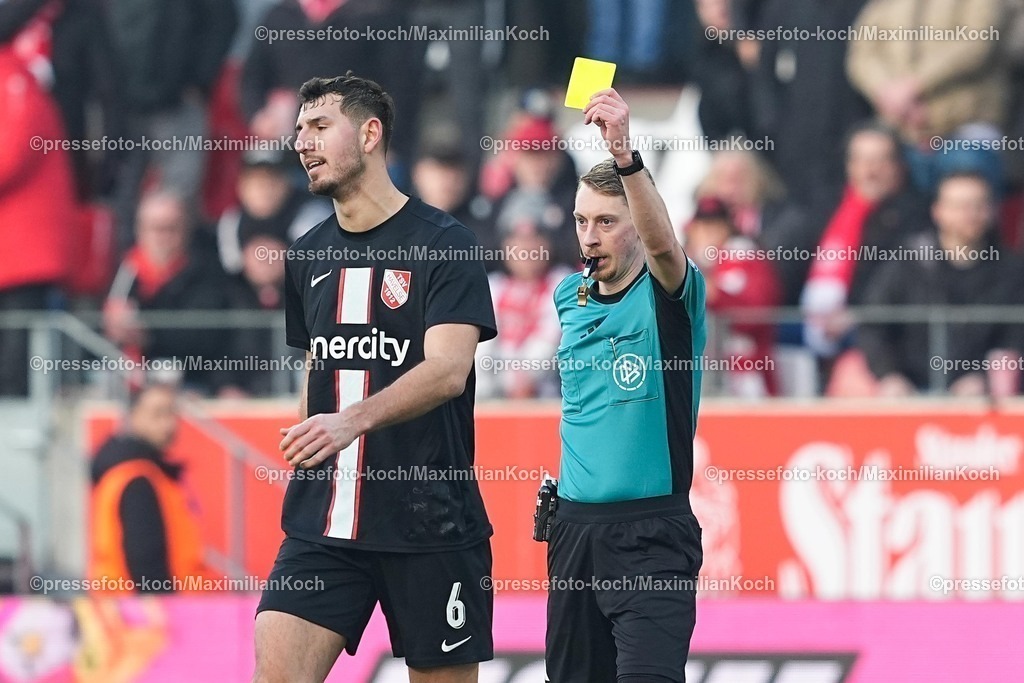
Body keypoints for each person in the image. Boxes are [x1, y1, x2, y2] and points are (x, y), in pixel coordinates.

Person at [254, 74, 498, 683]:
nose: (302, 142)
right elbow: (317, 358)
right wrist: (309, 427)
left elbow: (447, 371)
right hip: (325, 525)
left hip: (430, 521)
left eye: (319, 127)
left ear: (369, 134)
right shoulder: (306, 252)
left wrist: (350, 422)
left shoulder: (447, 244)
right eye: (299, 129)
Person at [546, 88, 706, 683]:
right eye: (582, 221)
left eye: (607, 222)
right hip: (573, 538)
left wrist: (624, 155)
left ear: (635, 227)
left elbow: (665, 246)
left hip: (651, 538)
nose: (589, 236)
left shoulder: (672, 297)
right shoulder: (569, 296)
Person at [857, 172, 1024, 397]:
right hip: (907, 387)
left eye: (978, 205)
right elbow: (872, 324)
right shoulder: (907, 263)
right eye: (960, 206)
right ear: (938, 211)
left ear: (991, 210)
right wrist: (889, 375)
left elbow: (1015, 338)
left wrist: (984, 377)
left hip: (981, 397)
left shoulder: (1011, 270)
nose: (970, 214)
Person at [90, 383, 210, 592]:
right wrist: (164, 606)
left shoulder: (137, 471)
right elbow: (145, 558)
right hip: (143, 616)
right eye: (158, 414)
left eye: (172, 414)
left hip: (126, 611)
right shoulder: (138, 478)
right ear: (133, 417)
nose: (168, 425)